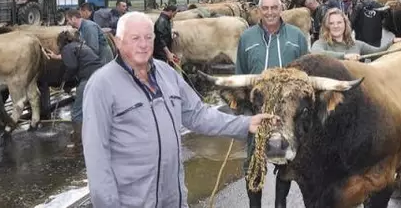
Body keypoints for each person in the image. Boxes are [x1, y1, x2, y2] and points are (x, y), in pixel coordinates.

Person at [81, 11, 275, 207]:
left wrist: (245, 123)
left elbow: (198, 115)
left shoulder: (167, 73)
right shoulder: (101, 85)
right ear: (118, 41)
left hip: (174, 199)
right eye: (135, 38)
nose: (143, 44)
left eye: (148, 37)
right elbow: (97, 157)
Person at [234, 0, 309, 207]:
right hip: (257, 110)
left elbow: (307, 74)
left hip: (287, 111)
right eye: (265, 8)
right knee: (253, 162)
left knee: (286, 161)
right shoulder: (246, 38)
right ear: (259, 10)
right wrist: (243, 111)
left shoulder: (296, 37)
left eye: (273, 8)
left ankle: (280, 203)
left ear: (281, 9)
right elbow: (240, 74)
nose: (269, 12)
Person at [44, 30, 103, 150]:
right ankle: (90, 135)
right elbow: (75, 59)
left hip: (89, 78)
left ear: (60, 42)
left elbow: (72, 66)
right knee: (90, 108)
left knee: (76, 111)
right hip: (100, 75)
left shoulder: (66, 49)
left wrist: (65, 79)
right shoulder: (79, 45)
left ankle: (78, 142)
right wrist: (56, 57)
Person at [311, 8, 401, 61]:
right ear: (327, 26)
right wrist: (344, 56)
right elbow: (316, 53)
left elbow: (377, 53)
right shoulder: (321, 44)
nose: (336, 26)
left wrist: (393, 42)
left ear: (345, 24)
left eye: (339, 22)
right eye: (331, 23)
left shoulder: (357, 44)